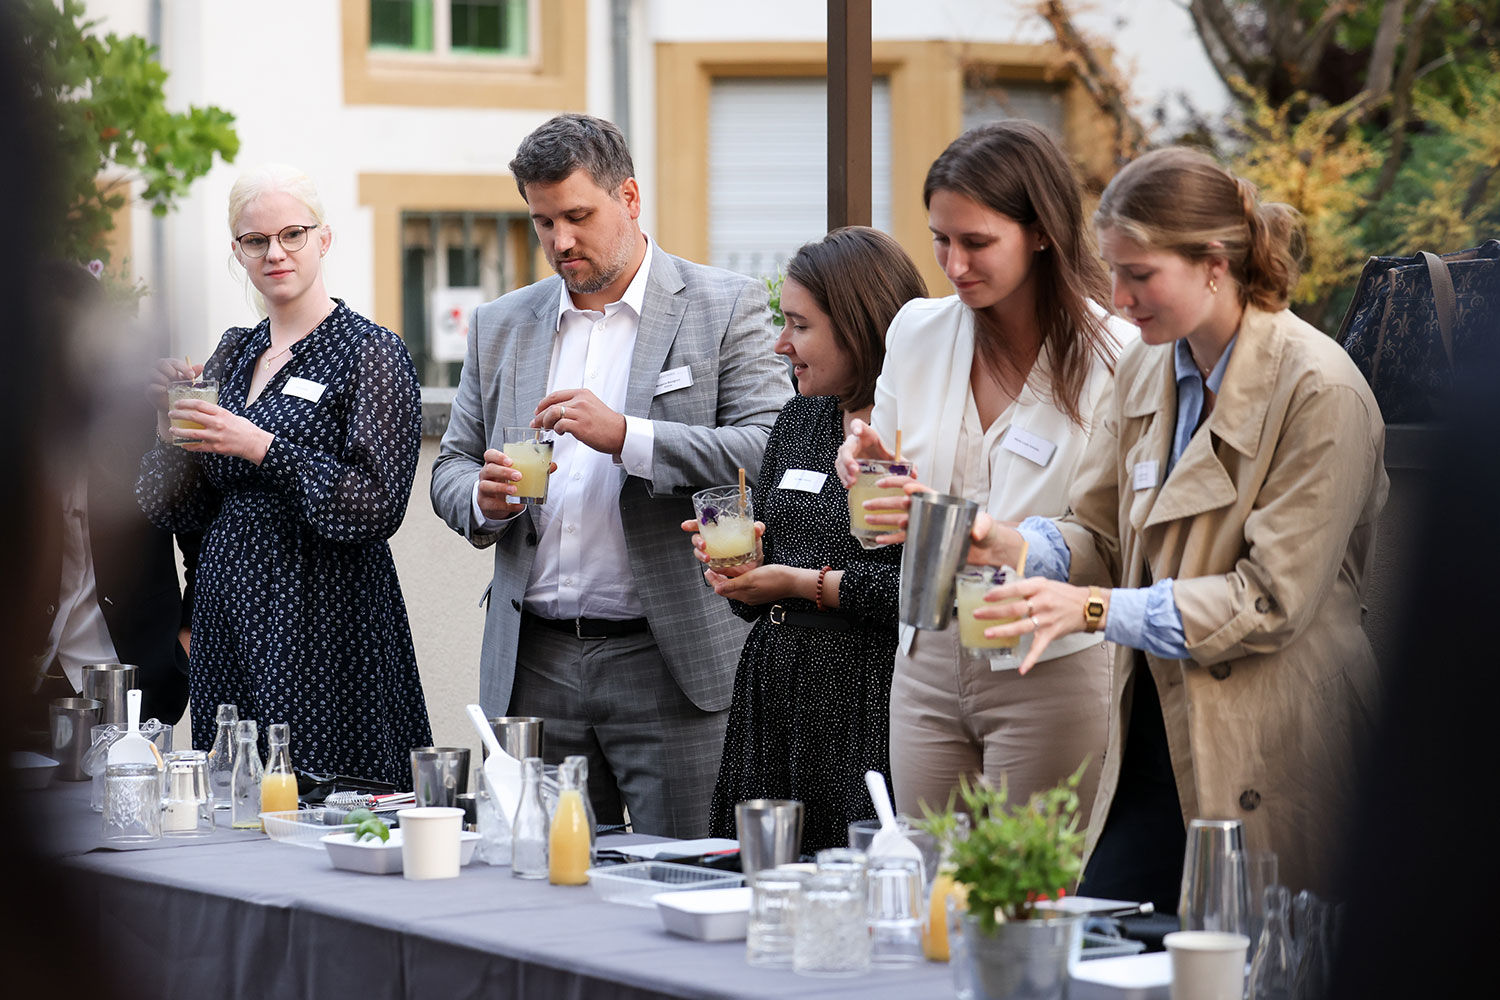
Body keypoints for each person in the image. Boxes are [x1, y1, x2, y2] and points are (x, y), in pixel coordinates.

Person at [968, 147, 1386, 908]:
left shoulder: (1321, 389)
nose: (1119, 299)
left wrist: (1095, 609)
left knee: (1261, 954)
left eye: (1139, 274)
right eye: (1112, 271)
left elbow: (1269, 600)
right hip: (1159, 729)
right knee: (1110, 934)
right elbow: (1101, 533)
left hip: (1278, 739)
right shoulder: (1146, 367)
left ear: (1215, 265)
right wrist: (1012, 542)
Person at [429, 114, 791, 837]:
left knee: (682, 877)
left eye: (577, 216)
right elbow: (451, 463)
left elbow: (768, 448)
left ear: (629, 197)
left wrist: (629, 437)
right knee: (535, 879)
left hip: (667, 657)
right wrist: (483, 498)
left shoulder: (724, 304)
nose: (560, 241)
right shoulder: (502, 323)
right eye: (542, 222)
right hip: (532, 661)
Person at [836, 121, 1134, 823]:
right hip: (926, 654)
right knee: (933, 873)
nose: (954, 263)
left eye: (976, 242)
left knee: (1032, 881)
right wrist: (867, 470)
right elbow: (884, 508)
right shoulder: (916, 330)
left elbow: (1115, 538)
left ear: (1040, 233)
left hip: (1050, 660)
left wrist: (997, 537)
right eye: (941, 239)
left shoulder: (1117, 357)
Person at [137, 164, 432, 789]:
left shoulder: (369, 351)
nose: (275, 253)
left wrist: (262, 447)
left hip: (325, 613)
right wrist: (169, 429)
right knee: (235, 795)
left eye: (292, 234)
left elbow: (377, 505)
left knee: (325, 797)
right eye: (256, 241)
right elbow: (175, 511)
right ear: (238, 251)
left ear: (323, 239)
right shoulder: (232, 352)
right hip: (230, 608)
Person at [682, 227, 927, 852]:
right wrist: (741, 568)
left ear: (859, 325)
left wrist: (802, 584)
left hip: (870, 696)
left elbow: (925, 587)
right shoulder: (801, 418)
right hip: (777, 692)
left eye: (799, 325)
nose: (780, 344)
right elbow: (759, 588)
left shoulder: (918, 432)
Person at [23, 262, 201, 741]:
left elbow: (203, 544)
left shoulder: (147, 418)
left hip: (136, 680)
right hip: (25, 688)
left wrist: (184, 645)